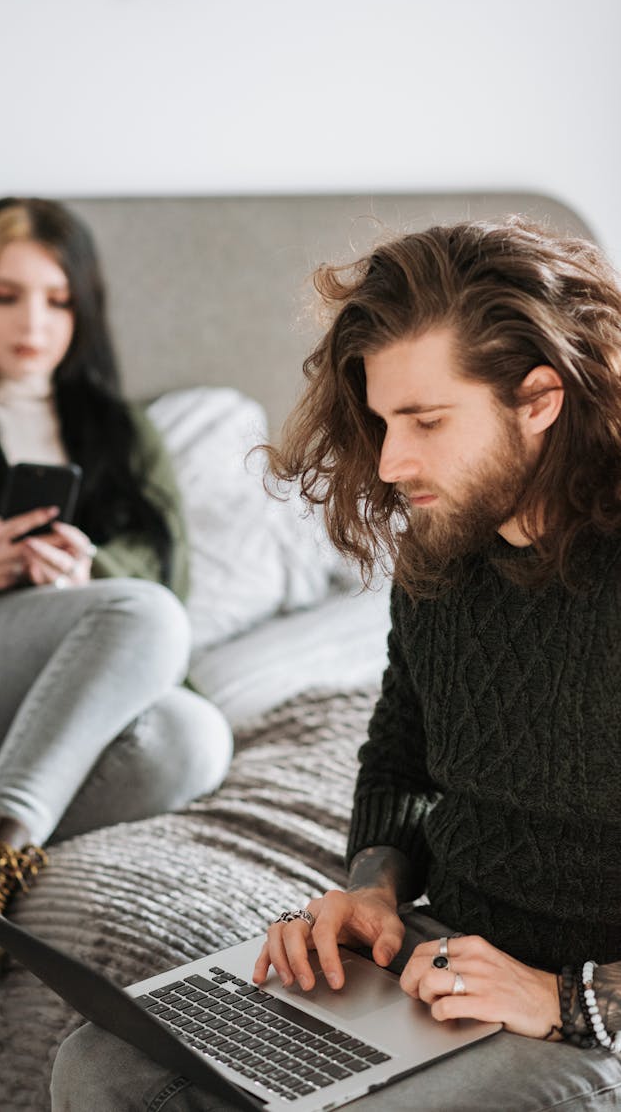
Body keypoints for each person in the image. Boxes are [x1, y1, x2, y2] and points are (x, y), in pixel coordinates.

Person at [49, 218, 621, 1111]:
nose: (393, 463)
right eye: (385, 419)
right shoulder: (443, 555)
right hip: (436, 960)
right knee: (103, 1065)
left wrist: (566, 998)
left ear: (540, 398)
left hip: (584, 1011)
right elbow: (400, 762)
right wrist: (374, 890)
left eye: (427, 420)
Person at [0, 197, 233, 1068]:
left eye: (57, 299)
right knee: (142, 613)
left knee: (195, 737)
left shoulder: (122, 431)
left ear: (84, 310)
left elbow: (169, 581)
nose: (33, 322)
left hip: (72, 688)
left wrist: (88, 578)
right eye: (6, 295)